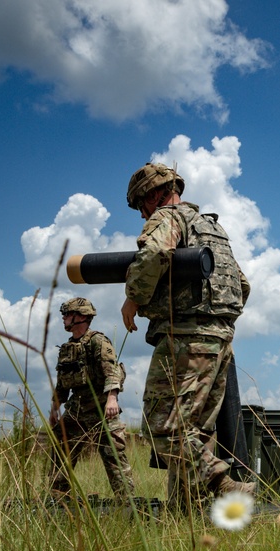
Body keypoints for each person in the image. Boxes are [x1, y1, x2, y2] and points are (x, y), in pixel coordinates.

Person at [120, 163, 254, 513]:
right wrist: (218, 324)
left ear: (153, 195)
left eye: (140, 206)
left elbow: (151, 254)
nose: (142, 214)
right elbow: (242, 285)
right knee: (194, 431)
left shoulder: (170, 217)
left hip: (187, 337)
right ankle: (186, 514)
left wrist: (134, 297)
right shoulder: (212, 228)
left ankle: (221, 481)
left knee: (163, 425)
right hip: (220, 338)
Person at [48, 297, 135, 500]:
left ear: (81, 317)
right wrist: (55, 408)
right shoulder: (67, 347)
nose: (63, 318)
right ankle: (59, 499)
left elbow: (112, 371)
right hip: (77, 410)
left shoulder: (98, 341)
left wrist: (112, 399)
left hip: (102, 409)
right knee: (61, 453)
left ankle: (127, 503)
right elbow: (62, 382)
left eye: (67, 314)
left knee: (114, 458)